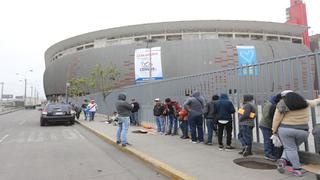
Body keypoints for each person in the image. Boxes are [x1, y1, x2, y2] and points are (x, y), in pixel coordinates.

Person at [273, 91, 320, 177]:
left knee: (290, 148)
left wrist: (274, 130)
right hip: (303, 131)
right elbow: (315, 102)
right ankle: (283, 160)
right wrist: (318, 99)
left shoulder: (282, 104)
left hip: (286, 130)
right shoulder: (305, 102)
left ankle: (297, 169)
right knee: (291, 147)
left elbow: (276, 119)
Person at [259, 94, 281, 161]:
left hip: (265, 124)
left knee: (269, 140)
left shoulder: (269, 103)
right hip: (267, 125)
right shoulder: (272, 106)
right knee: (268, 140)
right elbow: (272, 117)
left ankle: (271, 154)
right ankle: (268, 154)